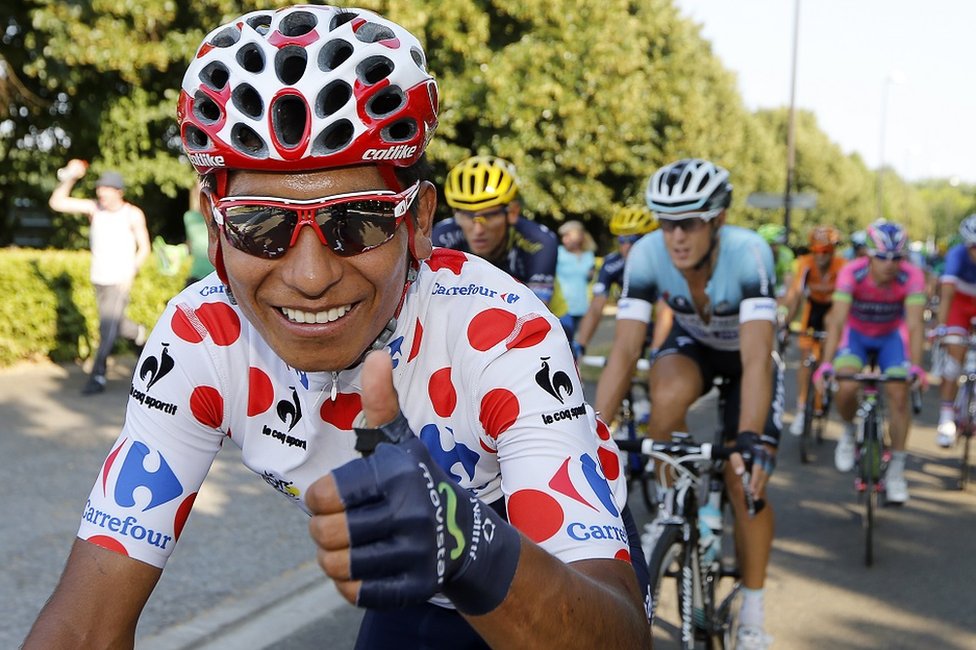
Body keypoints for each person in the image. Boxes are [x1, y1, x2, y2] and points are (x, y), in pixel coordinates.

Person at [25, 6, 651, 649]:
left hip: (531, 566)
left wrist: (463, 540)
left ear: (417, 225)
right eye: (259, 225)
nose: (310, 275)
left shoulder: (501, 332)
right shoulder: (201, 341)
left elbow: (618, 636)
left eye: (358, 220)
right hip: (414, 588)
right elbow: (86, 625)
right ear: (216, 234)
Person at [595, 158, 781, 650]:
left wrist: (749, 440)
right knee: (665, 401)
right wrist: (591, 428)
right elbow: (625, 349)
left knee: (746, 479)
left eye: (690, 222)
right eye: (666, 222)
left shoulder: (750, 254)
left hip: (747, 357)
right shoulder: (648, 255)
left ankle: (755, 611)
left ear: (717, 219)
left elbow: (760, 360)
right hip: (693, 347)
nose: (676, 236)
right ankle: (677, 506)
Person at [813, 219, 927, 504]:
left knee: (899, 394)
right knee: (847, 385)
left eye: (896, 258)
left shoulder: (911, 276)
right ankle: (849, 431)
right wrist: (826, 364)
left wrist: (915, 365)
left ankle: (897, 470)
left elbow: (914, 325)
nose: (889, 264)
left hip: (891, 338)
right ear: (868, 254)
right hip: (857, 337)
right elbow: (837, 321)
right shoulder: (852, 272)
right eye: (882, 258)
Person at [49, 161, 151, 395]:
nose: (101, 194)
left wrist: (131, 272)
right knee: (115, 324)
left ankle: (98, 376)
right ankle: (138, 335)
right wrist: (71, 177)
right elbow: (57, 203)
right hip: (100, 278)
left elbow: (144, 248)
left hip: (120, 279)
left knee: (106, 329)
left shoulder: (132, 214)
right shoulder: (94, 209)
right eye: (99, 189)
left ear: (119, 192)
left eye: (106, 190)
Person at [434, 155, 559, 306]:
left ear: (512, 212)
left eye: (489, 216)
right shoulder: (442, 236)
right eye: (467, 216)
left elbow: (536, 314)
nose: (478, 229)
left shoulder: (538, 241)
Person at [573, 205, 671, 359]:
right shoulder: (612, 263)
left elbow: (665, 311)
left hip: (668, 322)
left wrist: (657, 350)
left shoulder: (665, 260)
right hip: (635, 320)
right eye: (621, 240)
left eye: (633, 240)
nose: (626, 246)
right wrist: (581, 344)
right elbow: (596, 308)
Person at [780, 225, 845, 435]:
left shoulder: (842, 266)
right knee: (806, 361)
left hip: (834, 310)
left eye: (825, 252)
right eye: (816, 251)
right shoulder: (805, 264)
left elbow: (845, 302)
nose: (820, 257)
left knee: (830, 329)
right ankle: (801, 409)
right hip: (813, 308)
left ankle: (829, 372)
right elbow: (796, 295)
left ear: (833, 251)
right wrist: (787, 324)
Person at [931, 214, 976, 446]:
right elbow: (947, 294)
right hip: (959, 302)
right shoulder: (956, 255)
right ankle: (946, 416)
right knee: (954, 357)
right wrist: (941, 327)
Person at [555, 220, 596, 340]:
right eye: (563, 236)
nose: (564, 240)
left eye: (567, 235)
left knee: (578, 344)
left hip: (582, 307)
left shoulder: (589, 255)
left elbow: (589, 280)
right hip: (563, 308)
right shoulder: (558, 253)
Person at [183, 180, 215, 286]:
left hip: (218, 276)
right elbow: (190, 247)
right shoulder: (189, 217)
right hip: (197, 276)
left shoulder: (221, 216)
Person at [758, 222, 795, 298]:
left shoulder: (785, 254)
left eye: (777, 244)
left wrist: (785, 302)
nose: (776, 248)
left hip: (779, 288)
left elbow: (788, 281)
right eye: (772, 244)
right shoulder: (755, 254)